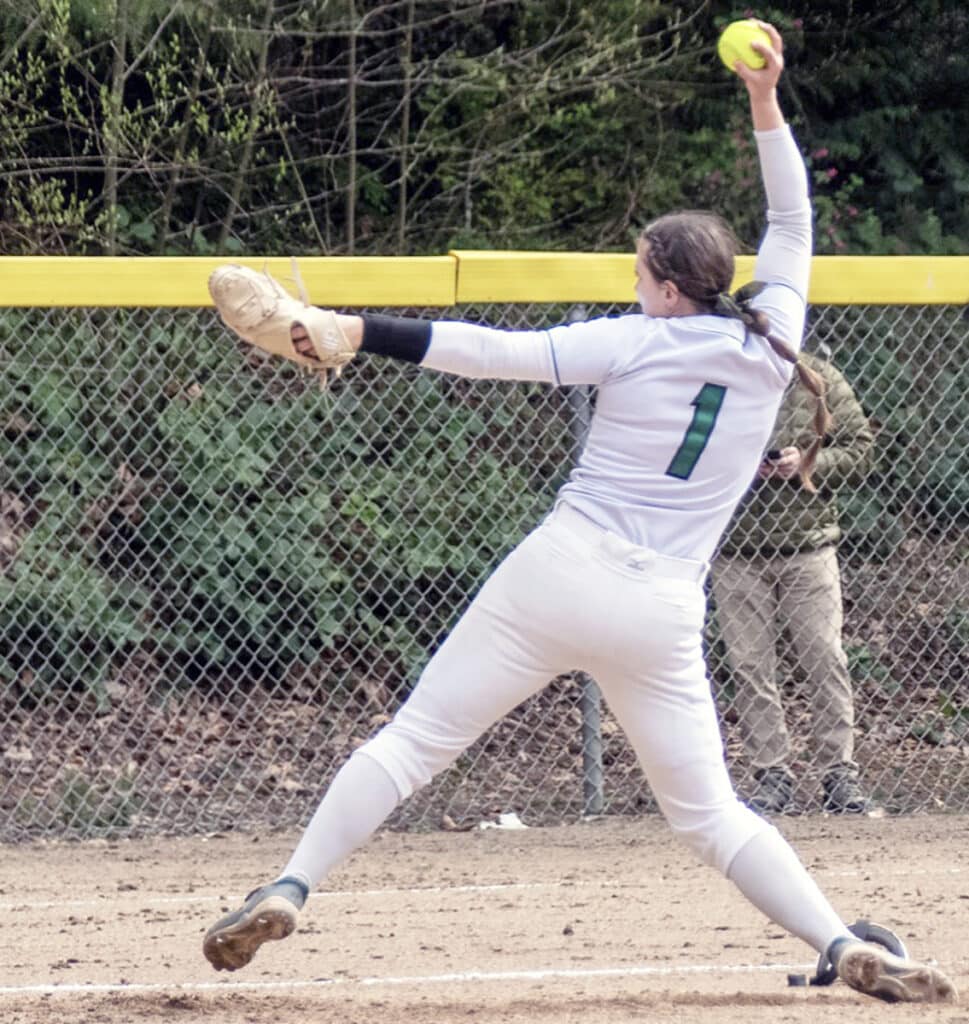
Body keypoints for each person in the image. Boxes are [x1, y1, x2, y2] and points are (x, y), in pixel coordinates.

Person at [200, 22, 955, 1004]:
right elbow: (792, 217)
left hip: (560, 572)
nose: (633, 285)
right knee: (714, 816)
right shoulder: (772, 342)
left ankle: (293, 883)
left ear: (669, 288)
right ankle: (844, 940)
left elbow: (486, 351)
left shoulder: (633, 343)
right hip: (660, 611)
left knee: (414, 742)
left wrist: (352, 330)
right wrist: (767, 99)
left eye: (641, 273)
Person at [712, 354, 874, 815]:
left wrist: (806, 462)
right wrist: (743, 465)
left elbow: (862, 450)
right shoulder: (717, 377)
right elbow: (687, 450)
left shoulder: (818, 379)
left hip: (808, 546)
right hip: (736, 550)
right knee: (749, 665)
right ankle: (772, 773)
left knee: (824, 657)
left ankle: (838, 774)